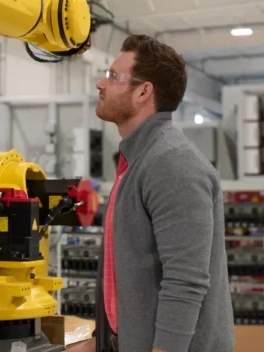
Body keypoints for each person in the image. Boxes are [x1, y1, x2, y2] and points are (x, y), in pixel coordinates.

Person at [78, 35, 234, 352]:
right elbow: (124, 275)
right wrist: (101, 344)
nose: (100, 84)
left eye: (112, 77)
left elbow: (185, 280)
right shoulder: (138, 160)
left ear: (143, 92)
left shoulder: (172, 163)